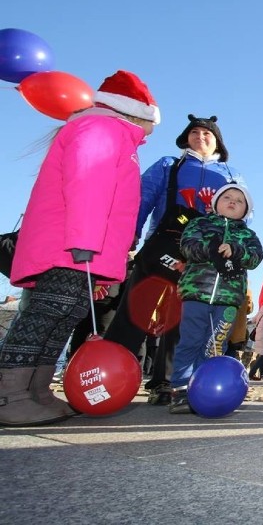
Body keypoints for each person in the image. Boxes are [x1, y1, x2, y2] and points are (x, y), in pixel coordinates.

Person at [0, 70, 159, 427]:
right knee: (45, 315)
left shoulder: (115, 134)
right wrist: (85, 242)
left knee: (64, 316)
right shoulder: (102, 130)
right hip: (71, 246)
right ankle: (8, 393)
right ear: (140, 112)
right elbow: (88, 184)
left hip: (82, 248)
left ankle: (37, 390)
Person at [104, 114, 244, 406]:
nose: (201, 137)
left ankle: (167, 382)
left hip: (203, 256)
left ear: (217, 141)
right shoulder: (170, 165)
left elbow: (245, 213)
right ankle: (111, 375)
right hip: (162, 244)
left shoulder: (231, 174)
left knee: (182, 317)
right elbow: (141, 198)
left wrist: (235, 246)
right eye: (195, 132)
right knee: (136, 308)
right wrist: (129, 238)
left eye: (207, 134)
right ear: (186, 138)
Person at [168, 183, 263, 413]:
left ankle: (203, 388)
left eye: (239, 201)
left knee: (214, 345)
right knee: (190, 341)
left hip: (228, 299)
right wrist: (211, 249)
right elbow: (188, 246)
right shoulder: (200, 223)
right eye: (227, 197)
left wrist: (237, 250)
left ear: (246, 211)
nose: (232, 201)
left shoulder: (247, 235)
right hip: (197, 293)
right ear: (215, 203)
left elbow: (256, 257)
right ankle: (180, 390)